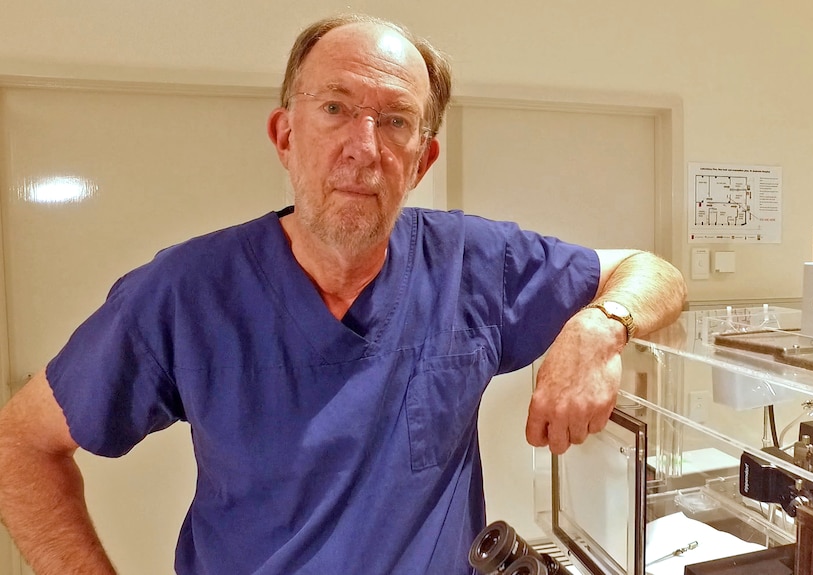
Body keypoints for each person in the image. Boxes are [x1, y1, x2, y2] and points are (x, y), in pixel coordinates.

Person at [0, 13, 686, 575]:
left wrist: (600, 327)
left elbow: (654, 272)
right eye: (335, 108)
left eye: (395, 121)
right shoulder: (185, 293)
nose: (364, 146)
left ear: (422, 160)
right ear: (286, 135)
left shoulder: (473, 263)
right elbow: (20, 443)